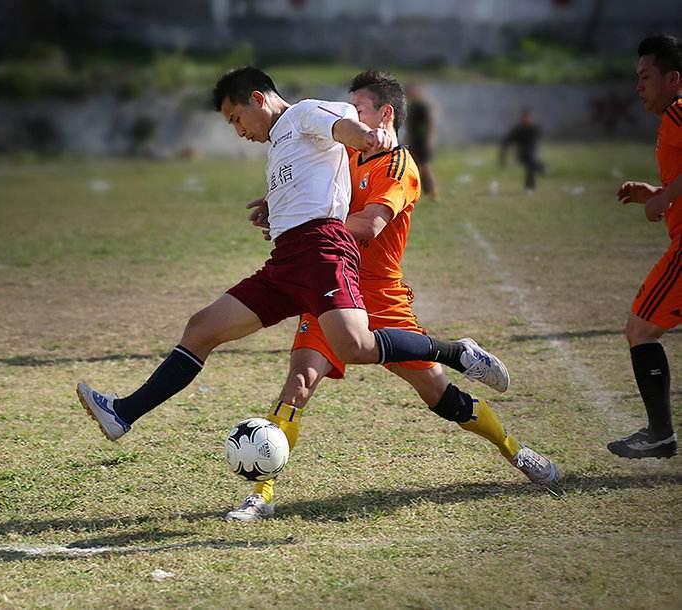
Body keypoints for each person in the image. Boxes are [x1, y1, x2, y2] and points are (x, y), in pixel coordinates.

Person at [76, 67, 509, 446]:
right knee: (202, 327)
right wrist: (275, 206)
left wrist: (367, 135)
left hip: (323, 251)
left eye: (236, 118)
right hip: (286, 261)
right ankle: (123, 413)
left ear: (258, 99)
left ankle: (456, 353)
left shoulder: (304, 113)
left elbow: (343, 126)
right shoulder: (280, 143)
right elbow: (313, 178)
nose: (238, 130)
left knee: (356, 346)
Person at [226, 71, 561, 521]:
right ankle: (262, 495)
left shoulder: (398, 167)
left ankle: (514, 449)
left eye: (358, 109)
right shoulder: (343, 151)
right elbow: (310, 187)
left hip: (381, 297)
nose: (348, 115)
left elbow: (369, 226)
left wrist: (306, 231)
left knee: (437, 393)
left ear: (385, 114)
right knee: (299, 383)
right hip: (329, 286)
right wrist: (279, 208)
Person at [608, 34, 682, 459]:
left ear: (673, 78)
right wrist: (656, 191)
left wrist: (665, 197)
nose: (639, 86)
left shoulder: (679, 110)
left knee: (641, 329)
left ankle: (660, 434)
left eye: (646, 76)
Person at [405, 83, 438, 200]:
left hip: (422, 140)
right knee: (415, 167)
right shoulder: (412, 106)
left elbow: (429, 123)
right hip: (414, 140)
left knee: (425, 167)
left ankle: (433, 192)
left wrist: (429, 139)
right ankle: (418, 193)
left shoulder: (422, 106)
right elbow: (410, 127)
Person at [500, 107, 546, 193]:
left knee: (531, 165)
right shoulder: (518, 130)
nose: (528, 120)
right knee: (531, 164)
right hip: (522, 155)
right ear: (522, 118)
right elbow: (505, 143)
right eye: (526, 118)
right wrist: (502, 160)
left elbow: (537, 144)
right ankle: (539, 171)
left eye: (529, 117)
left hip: (532, 154)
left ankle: (530, 187)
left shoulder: (535, 129)